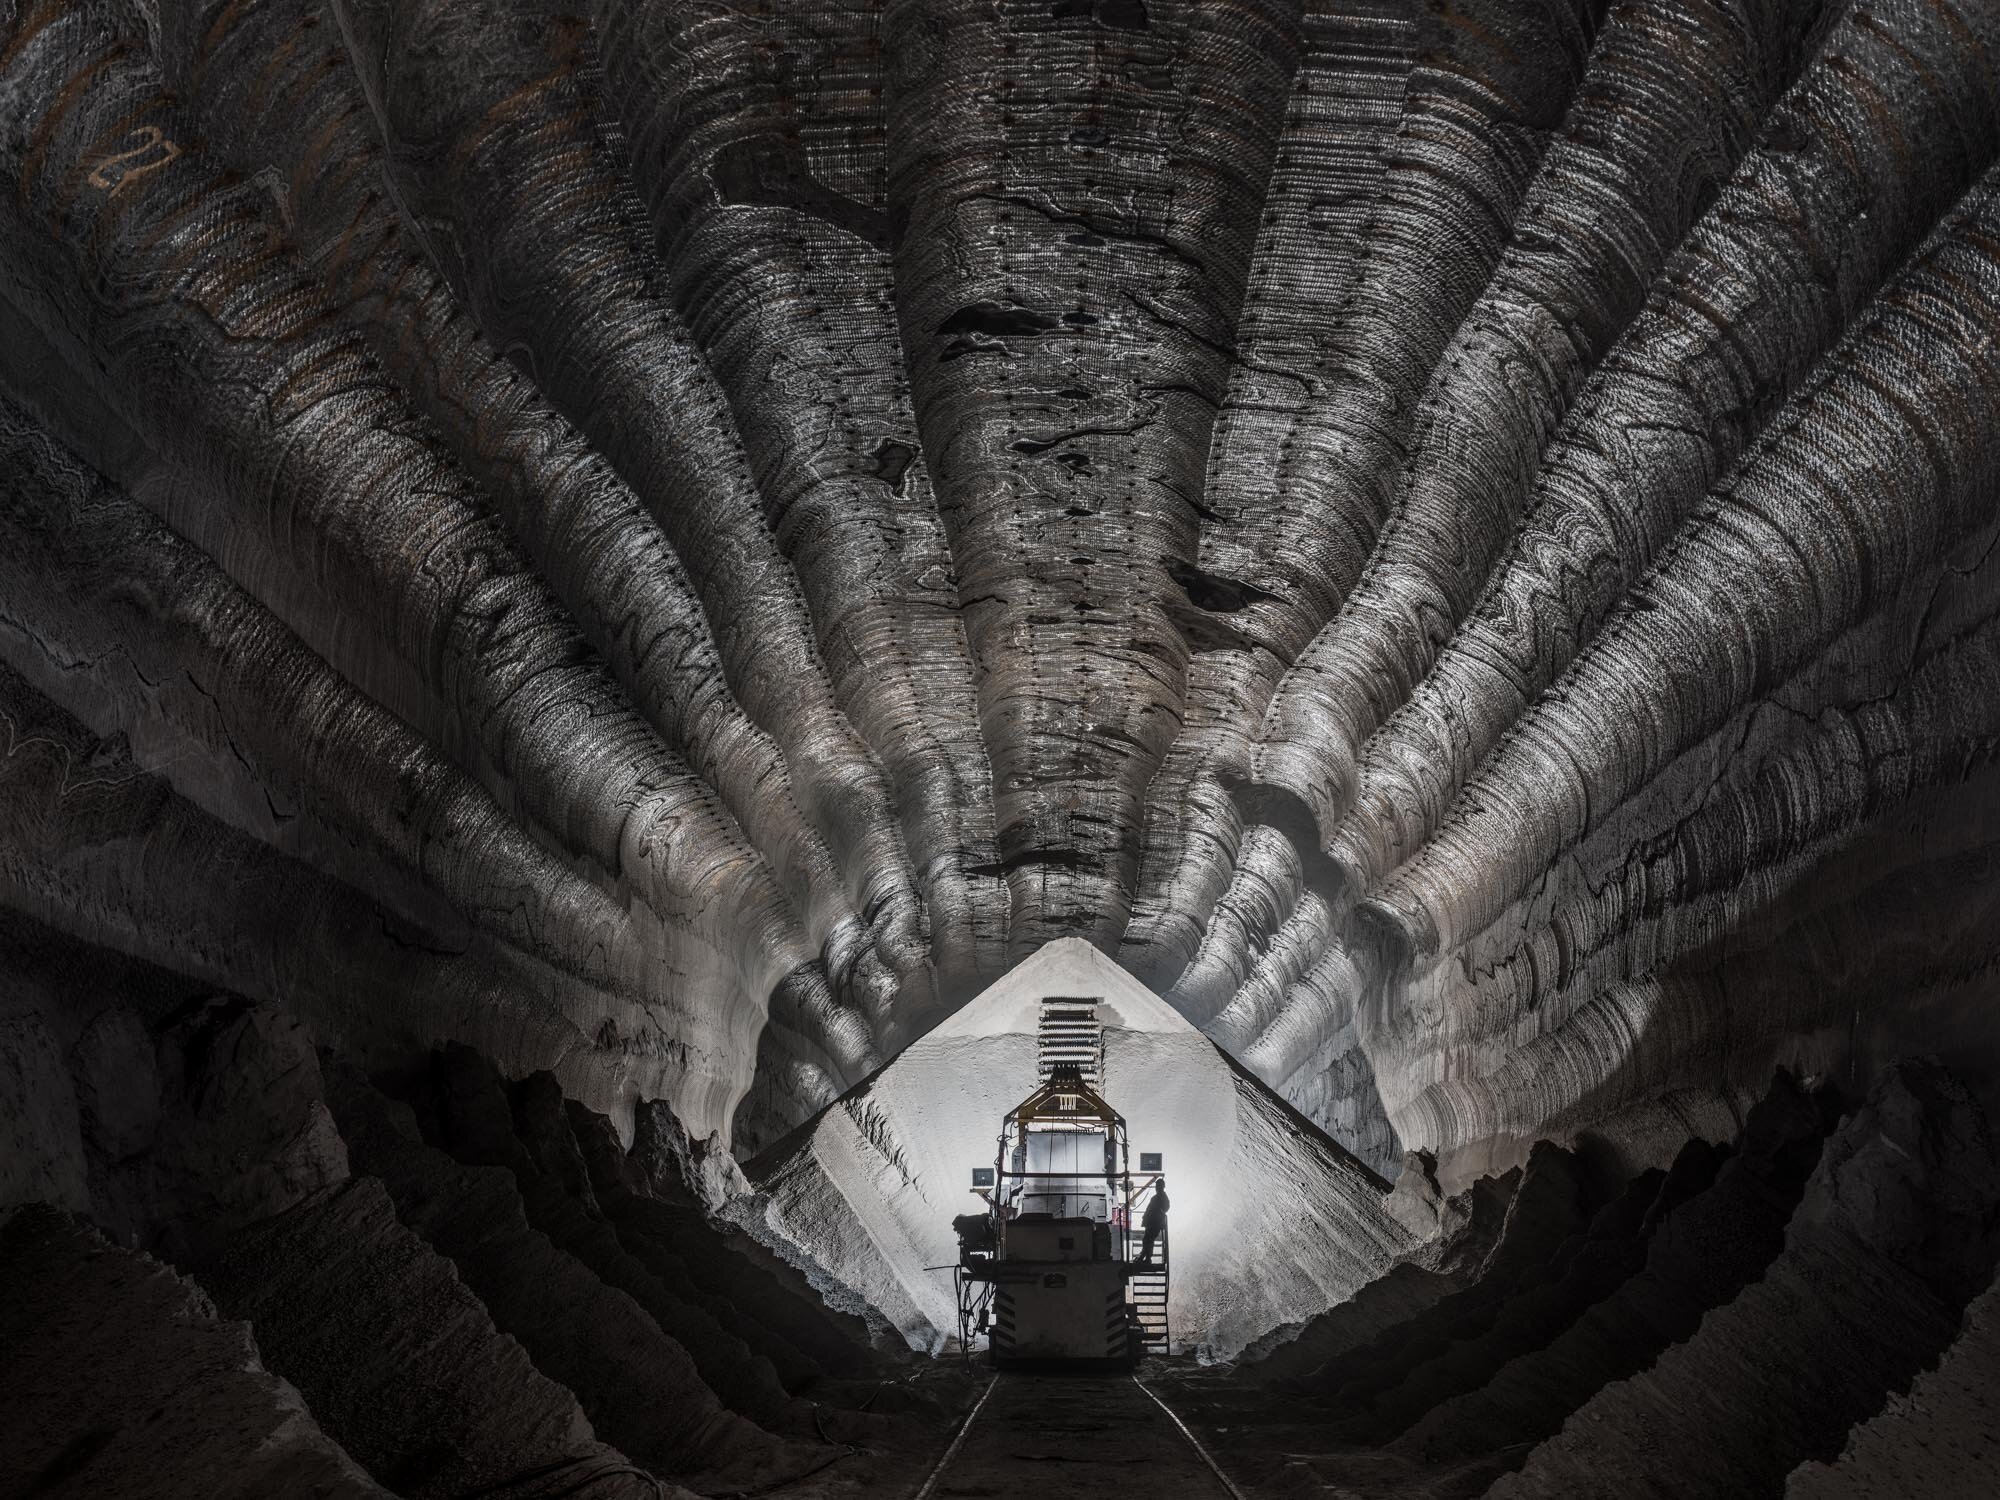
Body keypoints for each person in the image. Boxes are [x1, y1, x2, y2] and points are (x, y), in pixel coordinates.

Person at [1137, 1179, 1170, 1265]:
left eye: (1157, 1186)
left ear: (1161, 1187)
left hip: (1155, 1223)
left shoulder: (1161, 1197)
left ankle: (1146, 1257)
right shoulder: (1158, 1197)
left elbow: (1165, 1208)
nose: (1156, 1188)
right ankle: (1145, 1256)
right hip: (1153, 1223)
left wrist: (1156, 1212)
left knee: (1148, 1240)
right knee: (1147, 1240)